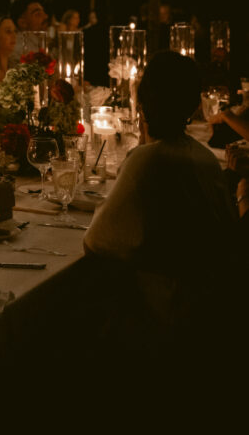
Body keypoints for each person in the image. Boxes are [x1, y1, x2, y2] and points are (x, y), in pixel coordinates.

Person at [84, 51, 242, 317]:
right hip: (210, 308)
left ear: (142, 105)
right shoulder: (205, 159)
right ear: (193, 106)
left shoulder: (146, 161)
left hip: (160, 311)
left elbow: (96, 243)